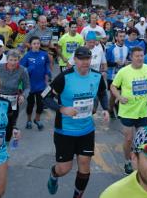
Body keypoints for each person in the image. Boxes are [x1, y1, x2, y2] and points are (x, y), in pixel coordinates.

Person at [42, 46, 110, 197]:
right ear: (75, 60)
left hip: (86, 129)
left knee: (85, 165)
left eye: (88, 58)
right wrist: (61, 108)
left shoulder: (97, 76)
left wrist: (105, 109)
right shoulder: (64, 77)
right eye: (81, 59)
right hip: (65, 130)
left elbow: (102, 93)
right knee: (64, 169)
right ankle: (54, 174)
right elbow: (44, 97)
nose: (85, 62)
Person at [110, 46, 147, 174]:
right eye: (137, 56)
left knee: (141, 139)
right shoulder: (124, 72)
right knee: (129, 139)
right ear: (131, 57)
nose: (140, 58)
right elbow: (113, 86)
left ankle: (140, 160)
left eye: (142, 56)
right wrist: (119, 97)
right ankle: (127, 161)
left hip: (142, 111)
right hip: (127, 111)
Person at [0, 49, 30, 138]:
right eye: (11, 60)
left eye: (15, 60)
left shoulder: (23, 70)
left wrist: (23, 96)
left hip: (13, 98)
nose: (13, 63)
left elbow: (27, 87)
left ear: (19, 60)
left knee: (11, 122)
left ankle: (7, 139)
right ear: (7, 59)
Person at [20, 36, 52, 130]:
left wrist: (48, 72)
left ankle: (37, 120)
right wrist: (28, 69)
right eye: (34, 43)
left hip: (41, 84)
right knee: (30, 104)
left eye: (38, 43)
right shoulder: (27, 56)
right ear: (31, 45)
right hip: (30, 85)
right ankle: (29, 120)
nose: (36, 45)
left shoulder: (44, 54)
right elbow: (21, 69)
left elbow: (46, 64)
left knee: (40, 104)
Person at [106, 29, 129, 118]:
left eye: (124, 36)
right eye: (120, 36)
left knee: (122, 94)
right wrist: (116, 63)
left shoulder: (126, 48)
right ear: (116, 37)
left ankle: (120, 109)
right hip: (112, 76)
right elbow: (106, 63)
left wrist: (127, 63)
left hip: (123, 76)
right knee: (113, 95)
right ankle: (110, 109)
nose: (122, 38)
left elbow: (126, 59)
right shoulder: (111, 49)